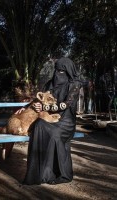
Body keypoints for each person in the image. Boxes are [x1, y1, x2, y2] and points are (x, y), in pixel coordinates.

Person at [17, 57, 82, 185]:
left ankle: (60, 174)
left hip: (66, 122)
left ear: (69, 71)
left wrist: (45, 107)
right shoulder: (49, 84)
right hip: (49, 118)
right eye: (57, 70)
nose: (58, 74)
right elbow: (38, 99)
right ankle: (37, 174)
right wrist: (24, 107)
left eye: (62, 71)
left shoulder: (74, 85)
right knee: (38, 126)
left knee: (54, 134)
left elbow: (65, 105)